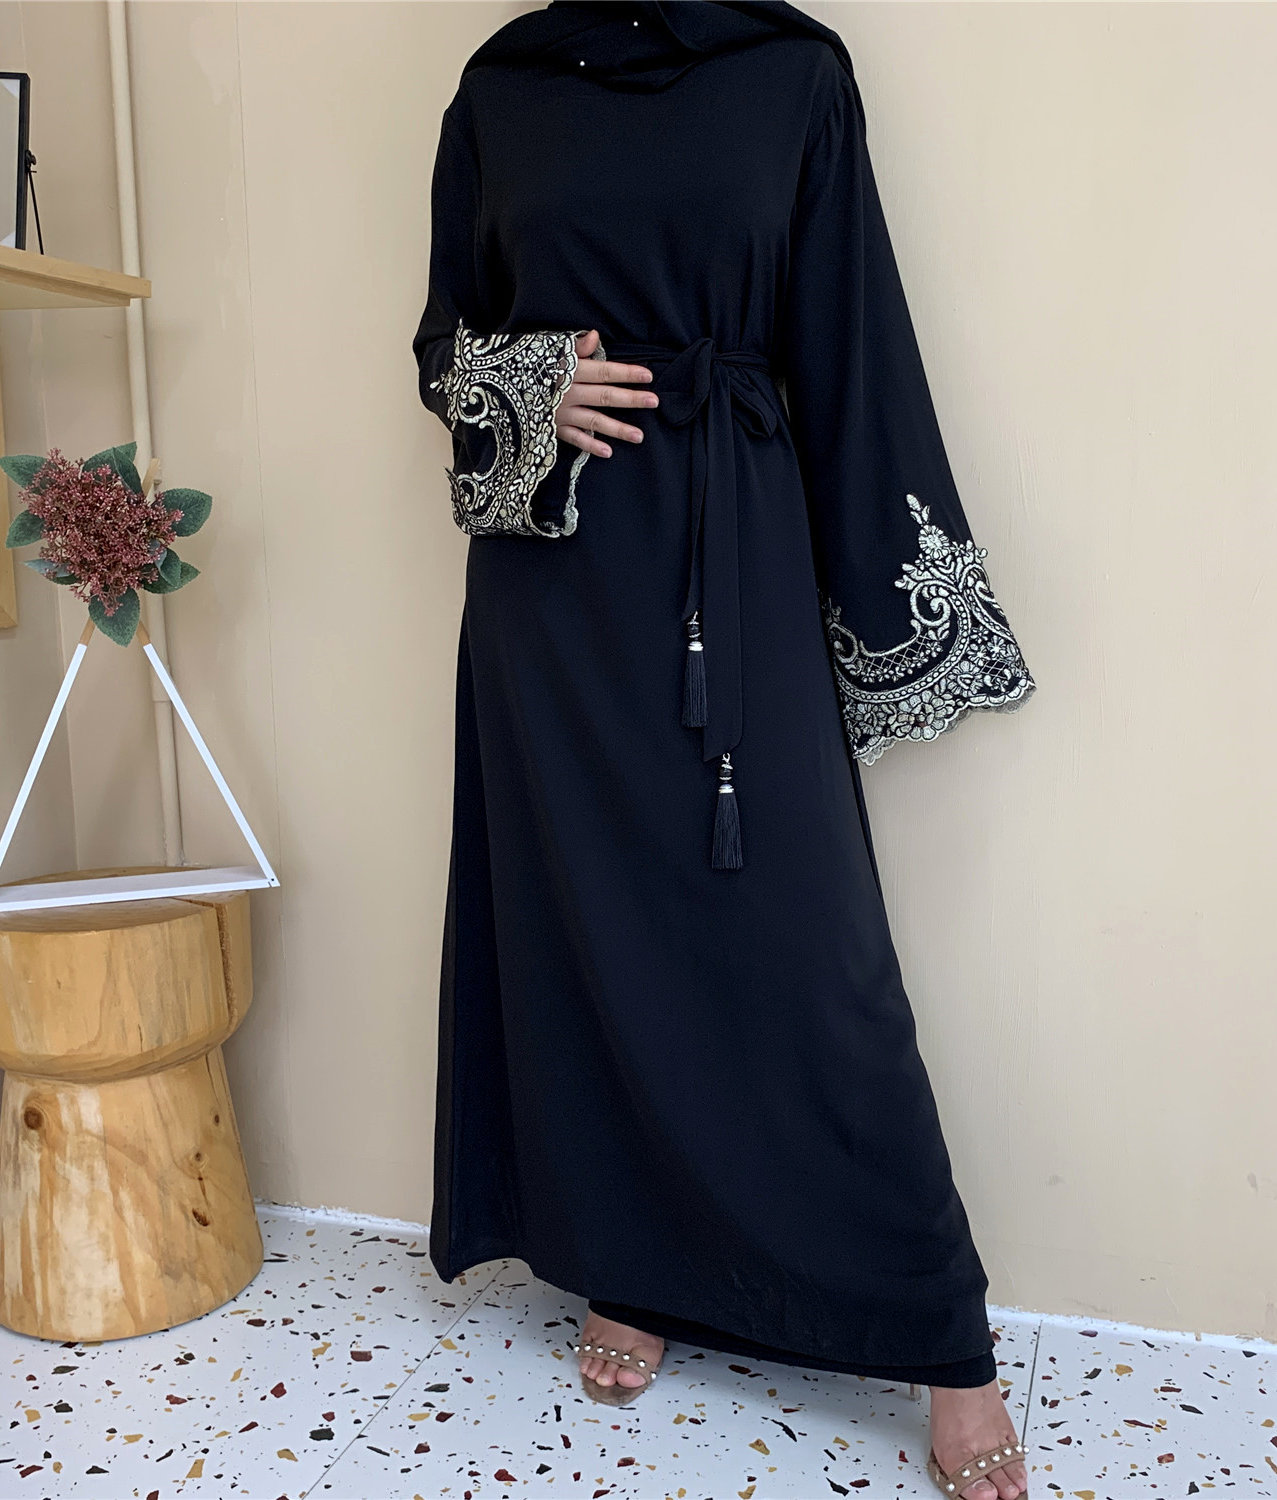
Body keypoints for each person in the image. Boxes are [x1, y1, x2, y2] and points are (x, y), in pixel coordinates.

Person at [412, 4, 1036, 1496]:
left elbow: (852, 345)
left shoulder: (793, 75)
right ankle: (631, 1264)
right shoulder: (504, 85)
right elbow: (444, 342)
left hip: (733, 549)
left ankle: (942, 1338)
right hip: (555, 588)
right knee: (591, 934)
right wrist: (526, 384)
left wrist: (900, 614)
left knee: (808, 945)